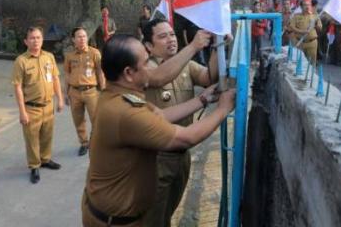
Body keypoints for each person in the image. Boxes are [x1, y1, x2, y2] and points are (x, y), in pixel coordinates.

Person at [81, 34, 235, 227]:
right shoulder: (125, 112)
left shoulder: (119, 95)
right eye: (146, 64)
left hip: (116, 212)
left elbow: (161, 116)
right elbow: (186, 138)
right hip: (116, 222)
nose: (151, 69)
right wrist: (223, 109)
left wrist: (202, 99)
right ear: (129, 73)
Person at [141, 19, 218, 227]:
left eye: (172, 34)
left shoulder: (186, 65)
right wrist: (193, 46)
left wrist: (218, 47)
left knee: (168, 210)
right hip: (156, 158)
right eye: (163, 36)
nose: (171, 40)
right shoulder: (144, 68)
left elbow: (208, 77)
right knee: (153, 218)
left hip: (182, 153)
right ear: (149, 46)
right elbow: (158, 78)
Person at [11, 27, 65, 184]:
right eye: (32, 38)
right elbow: (17, 87)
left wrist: (60, 99)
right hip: (31, 107)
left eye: (39, 37)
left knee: (47, 135)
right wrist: (22, 112)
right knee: (32, 138)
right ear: (26, 41)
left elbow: (55, 78)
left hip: (48, 105)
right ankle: (34, 165)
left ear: (42, 39)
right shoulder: (21, 61)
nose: (36, 41)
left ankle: (46, 159)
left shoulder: (49, 57)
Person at [64, 27, 105, 156]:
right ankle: (84, 143)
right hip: (75, 92)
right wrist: (66, 92)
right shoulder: (69, 56)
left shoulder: (94, 53)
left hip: (91, 91)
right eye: (79, 37)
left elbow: (100, 72)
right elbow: (66, 73)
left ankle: (98, 143)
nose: (82, 39)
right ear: (73, 40)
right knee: (78, 120)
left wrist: (103, 89)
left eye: (84, 36)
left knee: (96, 119)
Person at [289, 0, 322, 65]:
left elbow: (320, 27)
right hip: (300, 42)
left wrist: (316, 25)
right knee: (299, 63)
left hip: (312, 43)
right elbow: (292, 27)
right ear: (301, 7)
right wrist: (302, 31)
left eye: (309, 5)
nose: (307, 6)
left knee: (312, 63)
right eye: (305, 5)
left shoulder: (314, 16)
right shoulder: (296, 16)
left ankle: (311, 74)